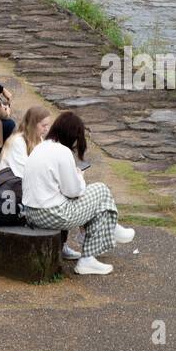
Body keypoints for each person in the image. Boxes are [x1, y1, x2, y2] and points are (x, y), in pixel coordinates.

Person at [20, 111, 135, 276]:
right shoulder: (62, 152)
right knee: (101, 190)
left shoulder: (40, 147)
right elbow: (74, 191)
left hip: (31, 213)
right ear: (71, 135)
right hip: (52, 214)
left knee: (97, 200)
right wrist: (79, 176)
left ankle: (111, 228)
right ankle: (92, 254)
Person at [0, 104, 53, 179]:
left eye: (48, 125)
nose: (47, 129)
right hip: (12, 183)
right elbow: (23, 171)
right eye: (44, 125)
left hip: (26, 180)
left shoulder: (38, 138)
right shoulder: (18, 141)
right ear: (33, 125)